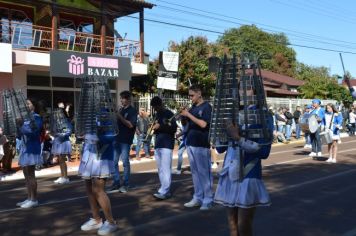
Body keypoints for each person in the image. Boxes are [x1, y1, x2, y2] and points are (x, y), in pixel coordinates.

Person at [214, 119, 273, 236]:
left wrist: (237, 138)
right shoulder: (232, 114)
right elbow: (220, 148)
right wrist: (221, 130)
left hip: (248, 176)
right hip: (229, 176)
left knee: (243, 226)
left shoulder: (263, 115)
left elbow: (264, 152)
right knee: (233, 227)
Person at [78, 109, 118, 235]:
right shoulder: (88, 114)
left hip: (102, 156)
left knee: (98, 190)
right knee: (89, 189)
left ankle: (111, 222)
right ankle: (96, 219)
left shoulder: (106, 113)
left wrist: (94, 136)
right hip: (89, 155)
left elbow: (112, 135)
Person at [180, 84, 213, 210]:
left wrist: (188, 115)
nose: (190, 98)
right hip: (191, 143)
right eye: (189, 96)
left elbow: (203, 124)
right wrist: (183, 117)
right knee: (195, 172)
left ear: (199, 93)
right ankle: (198, 197)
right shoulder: (192, 107)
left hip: (201, 143)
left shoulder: (206, 107)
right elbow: (187, 124)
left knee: (204, 172)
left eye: (192, 95)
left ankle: (208, 198)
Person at [16, 99, 43, 208]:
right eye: (25, 104)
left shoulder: (36, 117)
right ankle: (29, 197)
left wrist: (21, 125)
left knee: (31, 175)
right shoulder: (25, 118)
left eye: (29, 103)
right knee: (26, 175)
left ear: (34, 106)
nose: (26, 105)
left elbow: (33, 132)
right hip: (24, 148)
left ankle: (34, 199)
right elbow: (19, 134)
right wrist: (18, 126)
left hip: (32, 148)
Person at [109, 91, 137, 193]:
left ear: (128, 99)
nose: (121, 100)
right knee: (114, 162)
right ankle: (116, 182)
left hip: (125, 140)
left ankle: (126, 184)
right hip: (116, 138)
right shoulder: (120, 110)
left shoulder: (132, 111)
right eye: (120, 98)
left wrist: (119, 116)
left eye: (123, 98)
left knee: (125, 162)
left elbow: (130, 125)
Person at [150, 96, 177, 200]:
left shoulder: (169, 114)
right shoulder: (157, 114)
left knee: (166, 168)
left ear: (160, 104)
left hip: (167, 144)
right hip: (158, 143)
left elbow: (173, 128)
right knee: (160, 169)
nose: (155, 109)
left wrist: (159, 127)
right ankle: (164, 188)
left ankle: (164, 191)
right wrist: (153, 128)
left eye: (156, 107)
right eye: (154, 108)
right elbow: (156, 128)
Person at [52, 108, 73, 184]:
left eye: (59, 113)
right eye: (56, 113)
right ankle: (62, 176)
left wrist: (60, 134)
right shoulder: (56, 122)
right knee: (60, 160)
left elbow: (69, 131)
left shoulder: (66, 121)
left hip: (64, 142)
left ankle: (66, 177)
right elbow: (54, 131)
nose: (57, 114)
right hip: (58, 142)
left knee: (62, 159)